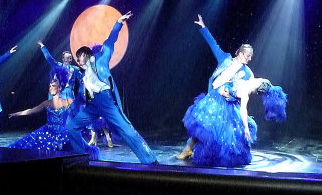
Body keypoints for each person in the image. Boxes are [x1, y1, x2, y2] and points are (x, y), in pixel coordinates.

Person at [177, 15, 287, 167]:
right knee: (206, 125)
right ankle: (188, 148)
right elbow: (213, 45)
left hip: (231, 104)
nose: (249, 59)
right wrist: (203, 27)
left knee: (229, 133)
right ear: (240, 53)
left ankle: (220, 157)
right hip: (215, 99)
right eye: (248, 55)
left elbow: (249, 89)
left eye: (251, 57)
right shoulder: (225, 59)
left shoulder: (248, 72)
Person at [66, 11, 158, 164]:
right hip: (93, 106)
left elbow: (109, 42)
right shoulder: (83, 77)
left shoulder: (101, 60)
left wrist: (118, 23)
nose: (77, 60)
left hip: (106, 102)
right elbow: (81, 96)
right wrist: (70, 108)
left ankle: (150, 160)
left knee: (126, 131)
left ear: (86, 54)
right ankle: (81, 158)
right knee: (71, 127)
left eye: (79, 56)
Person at [7, 74, 73, 151]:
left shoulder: (68, 101)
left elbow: (81, 110)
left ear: (60, 88)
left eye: (53, 86)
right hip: (48, 131)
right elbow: (31, 111)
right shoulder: (46, 103)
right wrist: (16, 114)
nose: (50, 88)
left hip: (63, 131)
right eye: (50, 86)